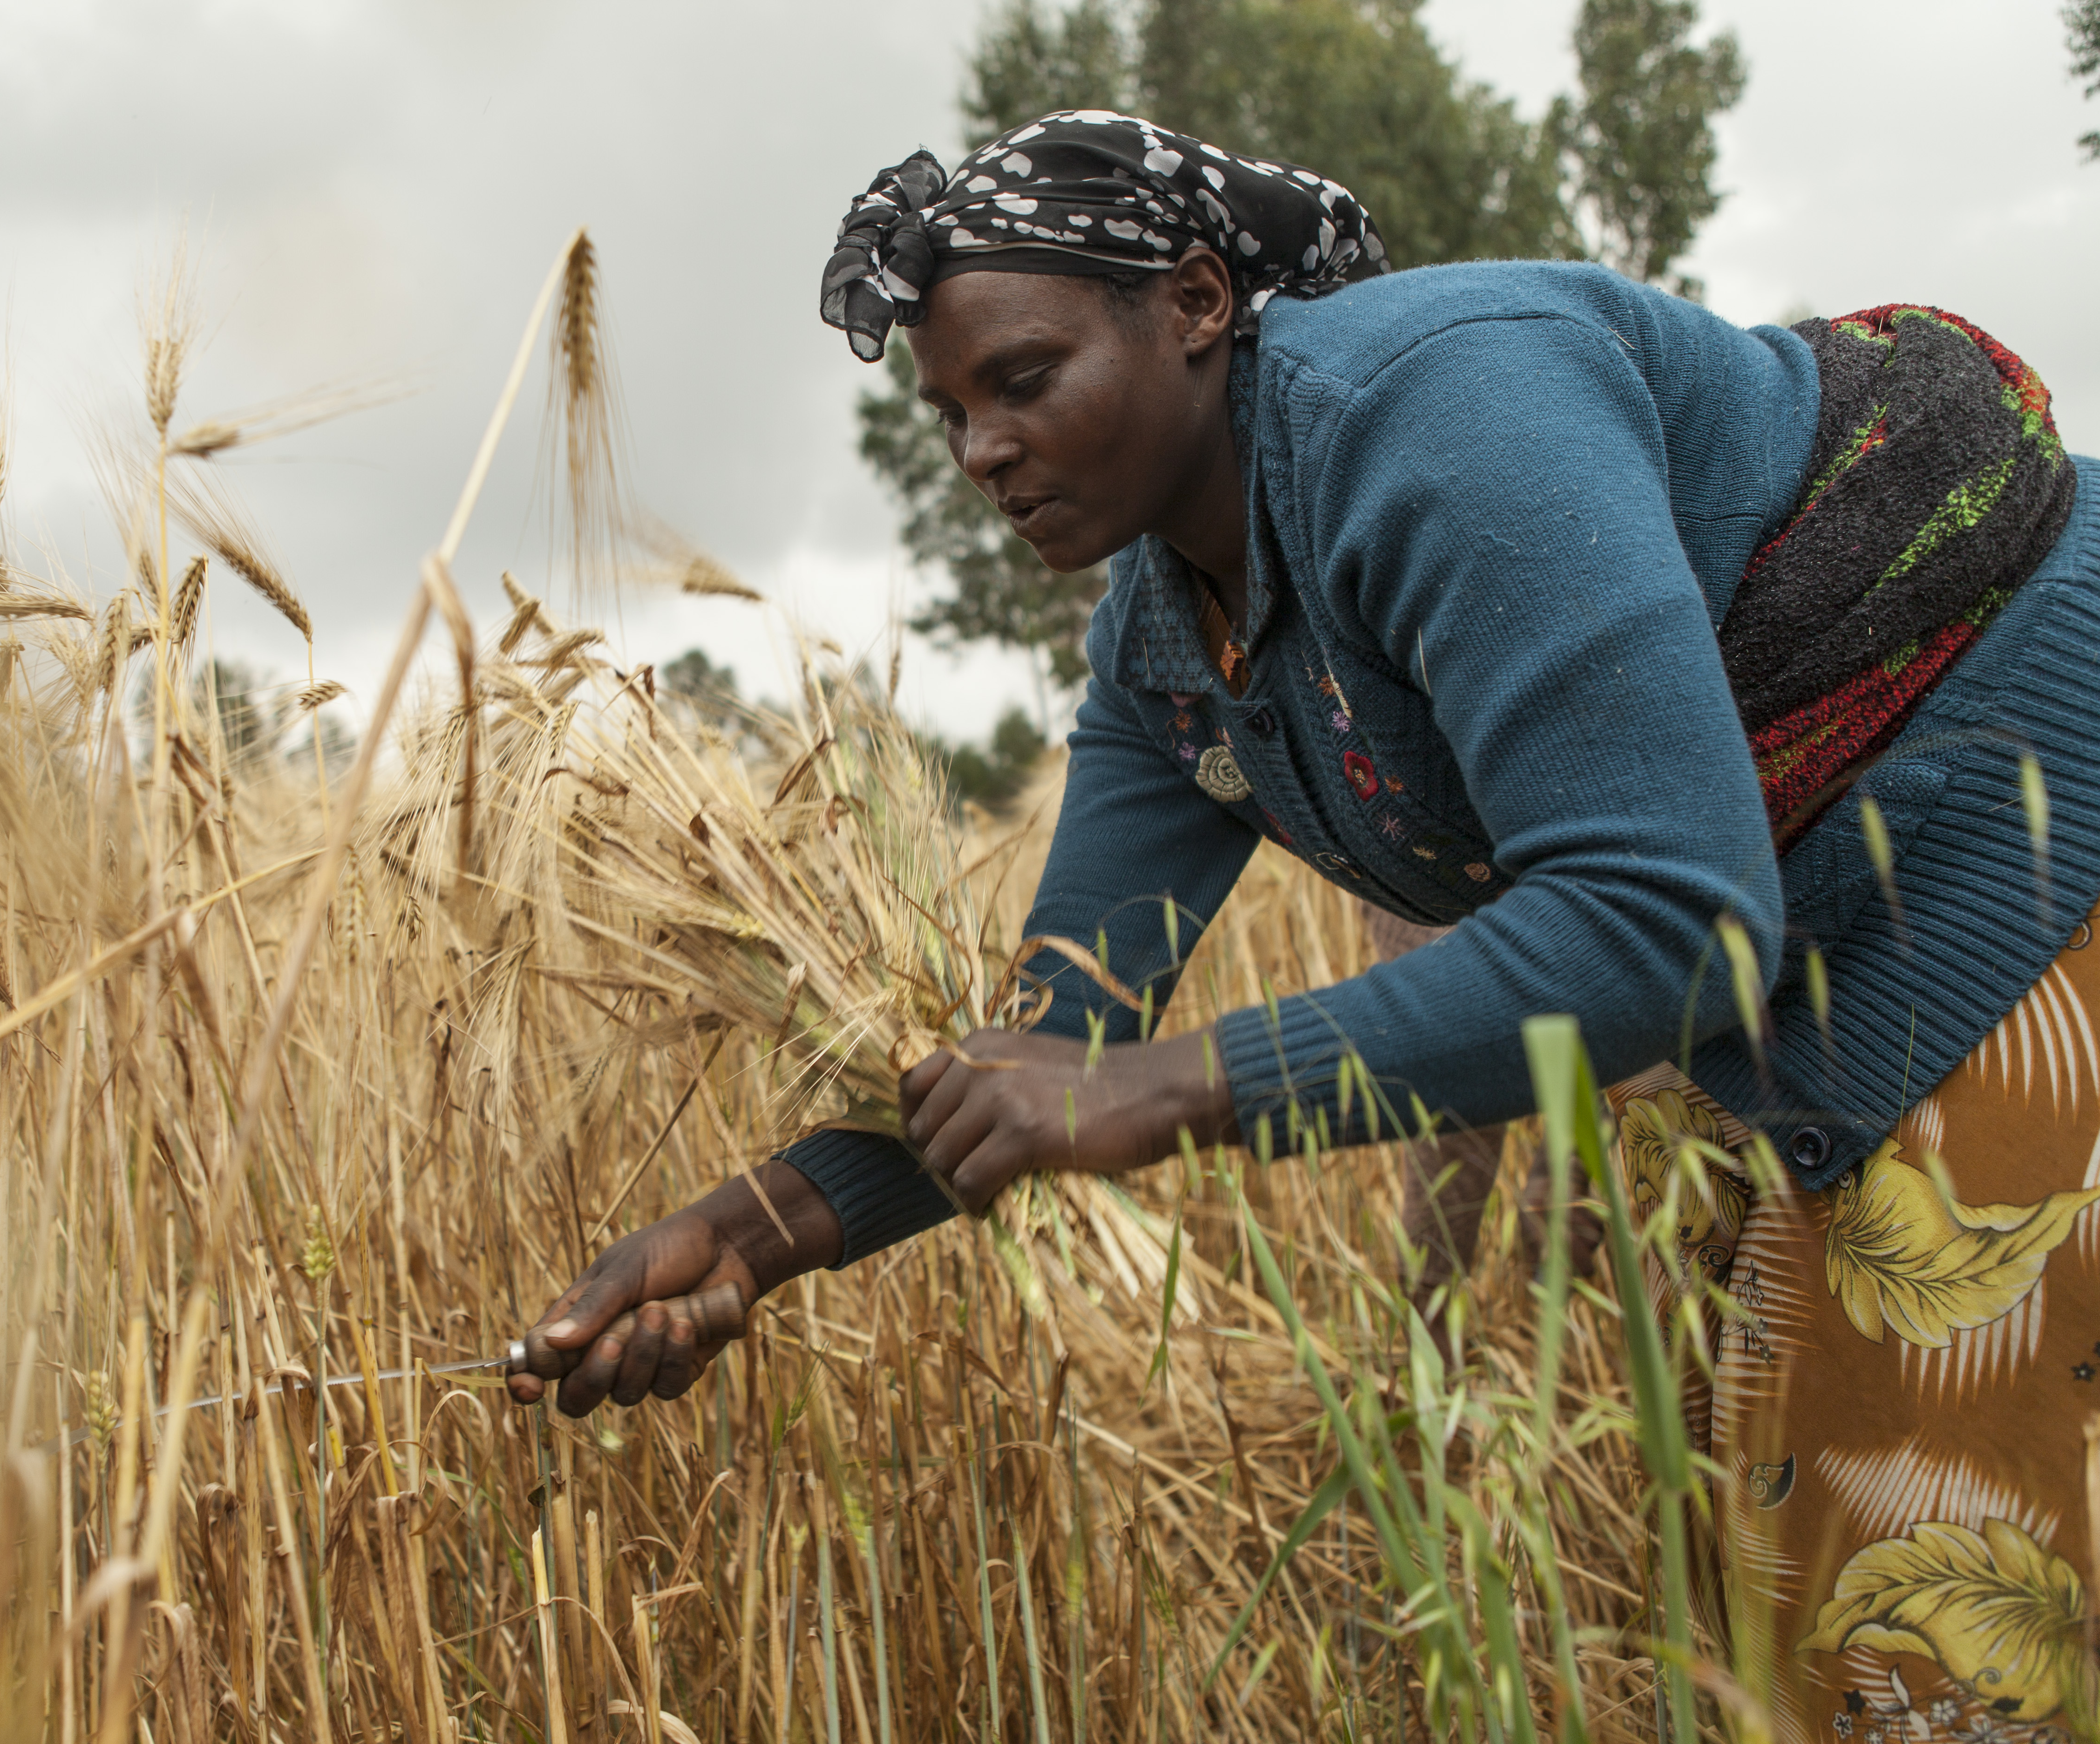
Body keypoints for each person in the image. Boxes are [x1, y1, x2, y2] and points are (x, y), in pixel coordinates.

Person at [506, 111, 2100, 1735]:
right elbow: (1060, 1043)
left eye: (1026, 378)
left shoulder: (1444, 416)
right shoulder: (1165, 656)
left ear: (1196, 302)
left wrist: (1174, 1091)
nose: (980, 449)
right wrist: (755, 1237)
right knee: (1786, 1588)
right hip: (1827, 1000)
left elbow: (1667, 923)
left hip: (2036, 867)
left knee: (1945, 1603)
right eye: (947, 411)